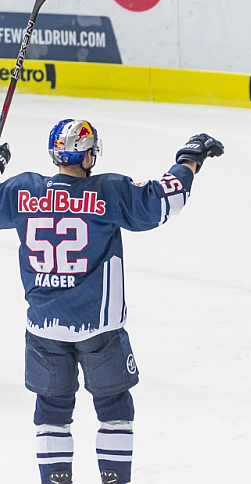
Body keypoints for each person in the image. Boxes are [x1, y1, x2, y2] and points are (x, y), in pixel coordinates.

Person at [0, 121, 224, 484]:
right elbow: (166, 199)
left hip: (43, 325)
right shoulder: (107, 191)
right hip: (98, 326)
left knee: (52, 410)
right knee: (114, 408)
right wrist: (190, 159)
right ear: (89, 153)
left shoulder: (22, 189)